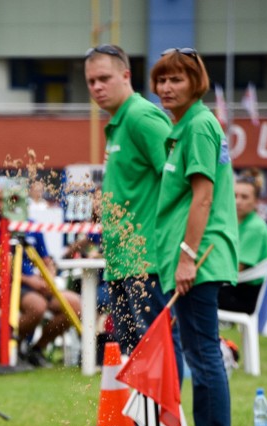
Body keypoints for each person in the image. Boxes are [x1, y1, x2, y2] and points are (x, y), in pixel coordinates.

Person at [151, 48, 238, 426]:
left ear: (196, 83)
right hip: (189, 257)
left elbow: (203, 198)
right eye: (162, 80)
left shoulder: (200, 125)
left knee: (203, 351)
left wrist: (187, 256)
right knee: (197, 348)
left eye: (176, 80)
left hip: (199, 259)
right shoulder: (184, 127)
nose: (166, 88)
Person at [84, 44, 184, 379]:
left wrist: (180, 249)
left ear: (126, 76)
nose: (96, 87)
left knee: (156, 348)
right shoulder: (117, 124)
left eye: (104, 78)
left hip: (149, 261)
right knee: (134, 352)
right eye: (90, 81)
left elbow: (178, 181)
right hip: (120, 262)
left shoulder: (143, 117)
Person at [0, 180, 81, 367]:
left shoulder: (31, 225)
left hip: (38, 284)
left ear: (15, 199)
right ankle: (13, 346)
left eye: (1, 200)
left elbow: (47, 260)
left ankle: (37, 349)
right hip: (8, 286)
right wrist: (30, 281)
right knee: (38, 307)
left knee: (74, 305)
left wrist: (48, 279)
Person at [219, 170, 267, 314]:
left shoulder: (255, 227)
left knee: (196, 295)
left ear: (256, 202)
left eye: (244, 197)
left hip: (247, 295)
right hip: (236, 288)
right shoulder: (233, 222)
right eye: (235, 196)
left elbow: (237, 269)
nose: (238, 201)